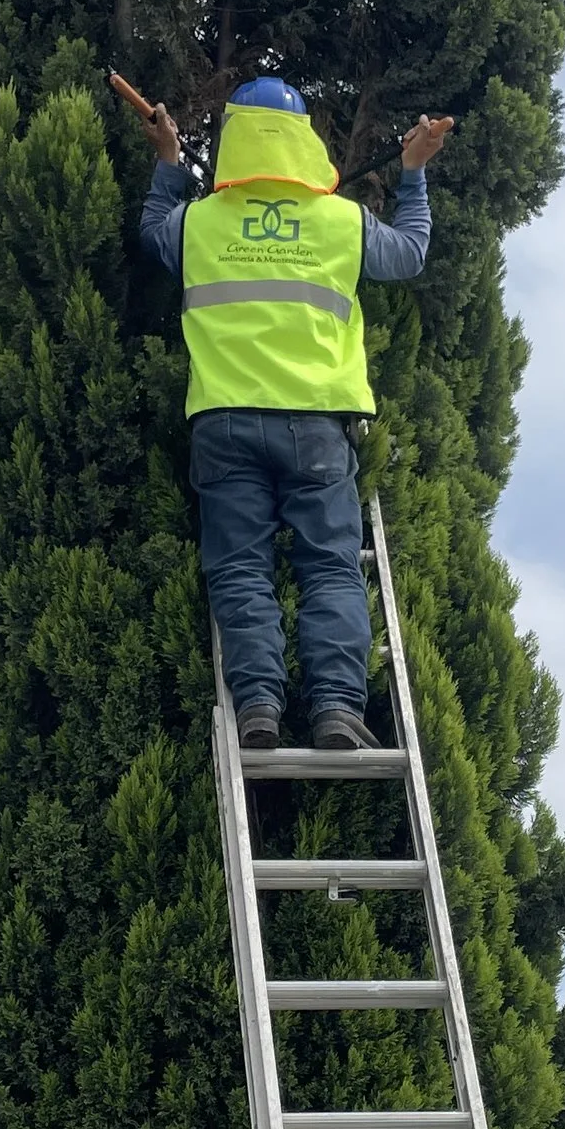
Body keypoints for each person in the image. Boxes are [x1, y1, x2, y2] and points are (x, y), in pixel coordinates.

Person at [113, 70, 452, 750]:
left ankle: (259, 706)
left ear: (235, 137)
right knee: (329, 566)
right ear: (302, 140)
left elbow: (151, 233)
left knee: (241, 567)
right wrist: (413, 172)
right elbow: (411, 252)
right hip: (318, 424)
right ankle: (336, 708)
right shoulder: (342, 223)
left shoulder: (198, 224)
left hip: (225, 421)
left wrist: (169, 161)